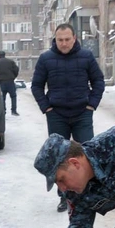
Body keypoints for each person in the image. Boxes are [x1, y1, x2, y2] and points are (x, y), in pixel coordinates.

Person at [31, 23, 106, 212]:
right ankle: (64, 196)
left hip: (82, 113)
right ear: (55, 40)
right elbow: (36, 86)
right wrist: (46, 108)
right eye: (60, 40)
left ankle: (90, 192)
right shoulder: (46, 59)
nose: (64, 43)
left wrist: (91, 105)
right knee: (59, 157)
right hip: (57, 115)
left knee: (87, 153)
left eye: (67, 39)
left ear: (74, 38)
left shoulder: (86, 57)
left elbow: (98, 81)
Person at [0, 50, 20, 116]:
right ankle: (14, 111)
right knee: (13, 96)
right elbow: (16, 69)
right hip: (10, 81)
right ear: (4, 55)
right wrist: (14, 76)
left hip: (1, 82)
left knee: (2, 97)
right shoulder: (10, 62)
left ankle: (3, 111)